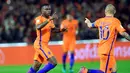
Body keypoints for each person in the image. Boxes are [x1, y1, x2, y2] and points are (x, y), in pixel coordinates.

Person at [79, 4, 130, 73]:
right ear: (114, 12)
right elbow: (123, 33)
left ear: (105, 11)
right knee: (104, 72)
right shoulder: (115, 21)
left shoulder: (100, 21)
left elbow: (90, 25)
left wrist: (88, 22)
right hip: (107, 51)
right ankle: (86, 71)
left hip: (102, 50)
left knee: (114, 69)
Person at [27, 4, 67, 73]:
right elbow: (38, 27)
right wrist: (49, 19)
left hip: (44, 45)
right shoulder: (39, 19)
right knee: (53, 62)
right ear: (42, 11)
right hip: (39, 44)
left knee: (36, 66)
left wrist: (61, 30)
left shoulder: (50, 19)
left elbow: (53, 29)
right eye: (46, 9)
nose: (49, 11)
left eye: (49, 9)